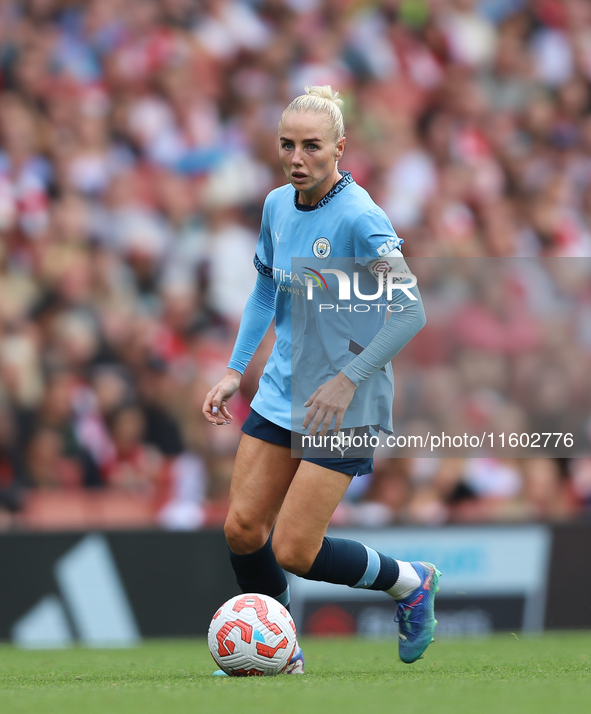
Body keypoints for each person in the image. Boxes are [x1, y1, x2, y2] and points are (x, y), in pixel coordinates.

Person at [202, 86, 440, 674]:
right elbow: (264, 287)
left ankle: (410, 583)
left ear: (339, 147)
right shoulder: (277, 206)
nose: (297, 157)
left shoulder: (361, 217)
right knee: (242, 528)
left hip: (347, 400)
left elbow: (410, 310)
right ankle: (283, 653)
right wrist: (236, 369)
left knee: (295, 549)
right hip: (284, 388)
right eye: (288, 145)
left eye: (311, 145)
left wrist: (348, 377)